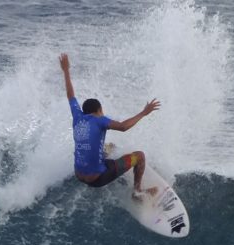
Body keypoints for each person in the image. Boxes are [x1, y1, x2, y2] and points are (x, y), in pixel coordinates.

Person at [59, 53, 160, 197]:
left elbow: (70, 95)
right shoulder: (100, 120)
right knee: (140, 156)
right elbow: (123, 127)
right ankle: (137, 192)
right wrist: (143, 113)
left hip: (78, 174)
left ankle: (112, 165)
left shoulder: (77, 116)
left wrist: (66, 70)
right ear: (99, 110)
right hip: (97, 179)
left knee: (109, 147)